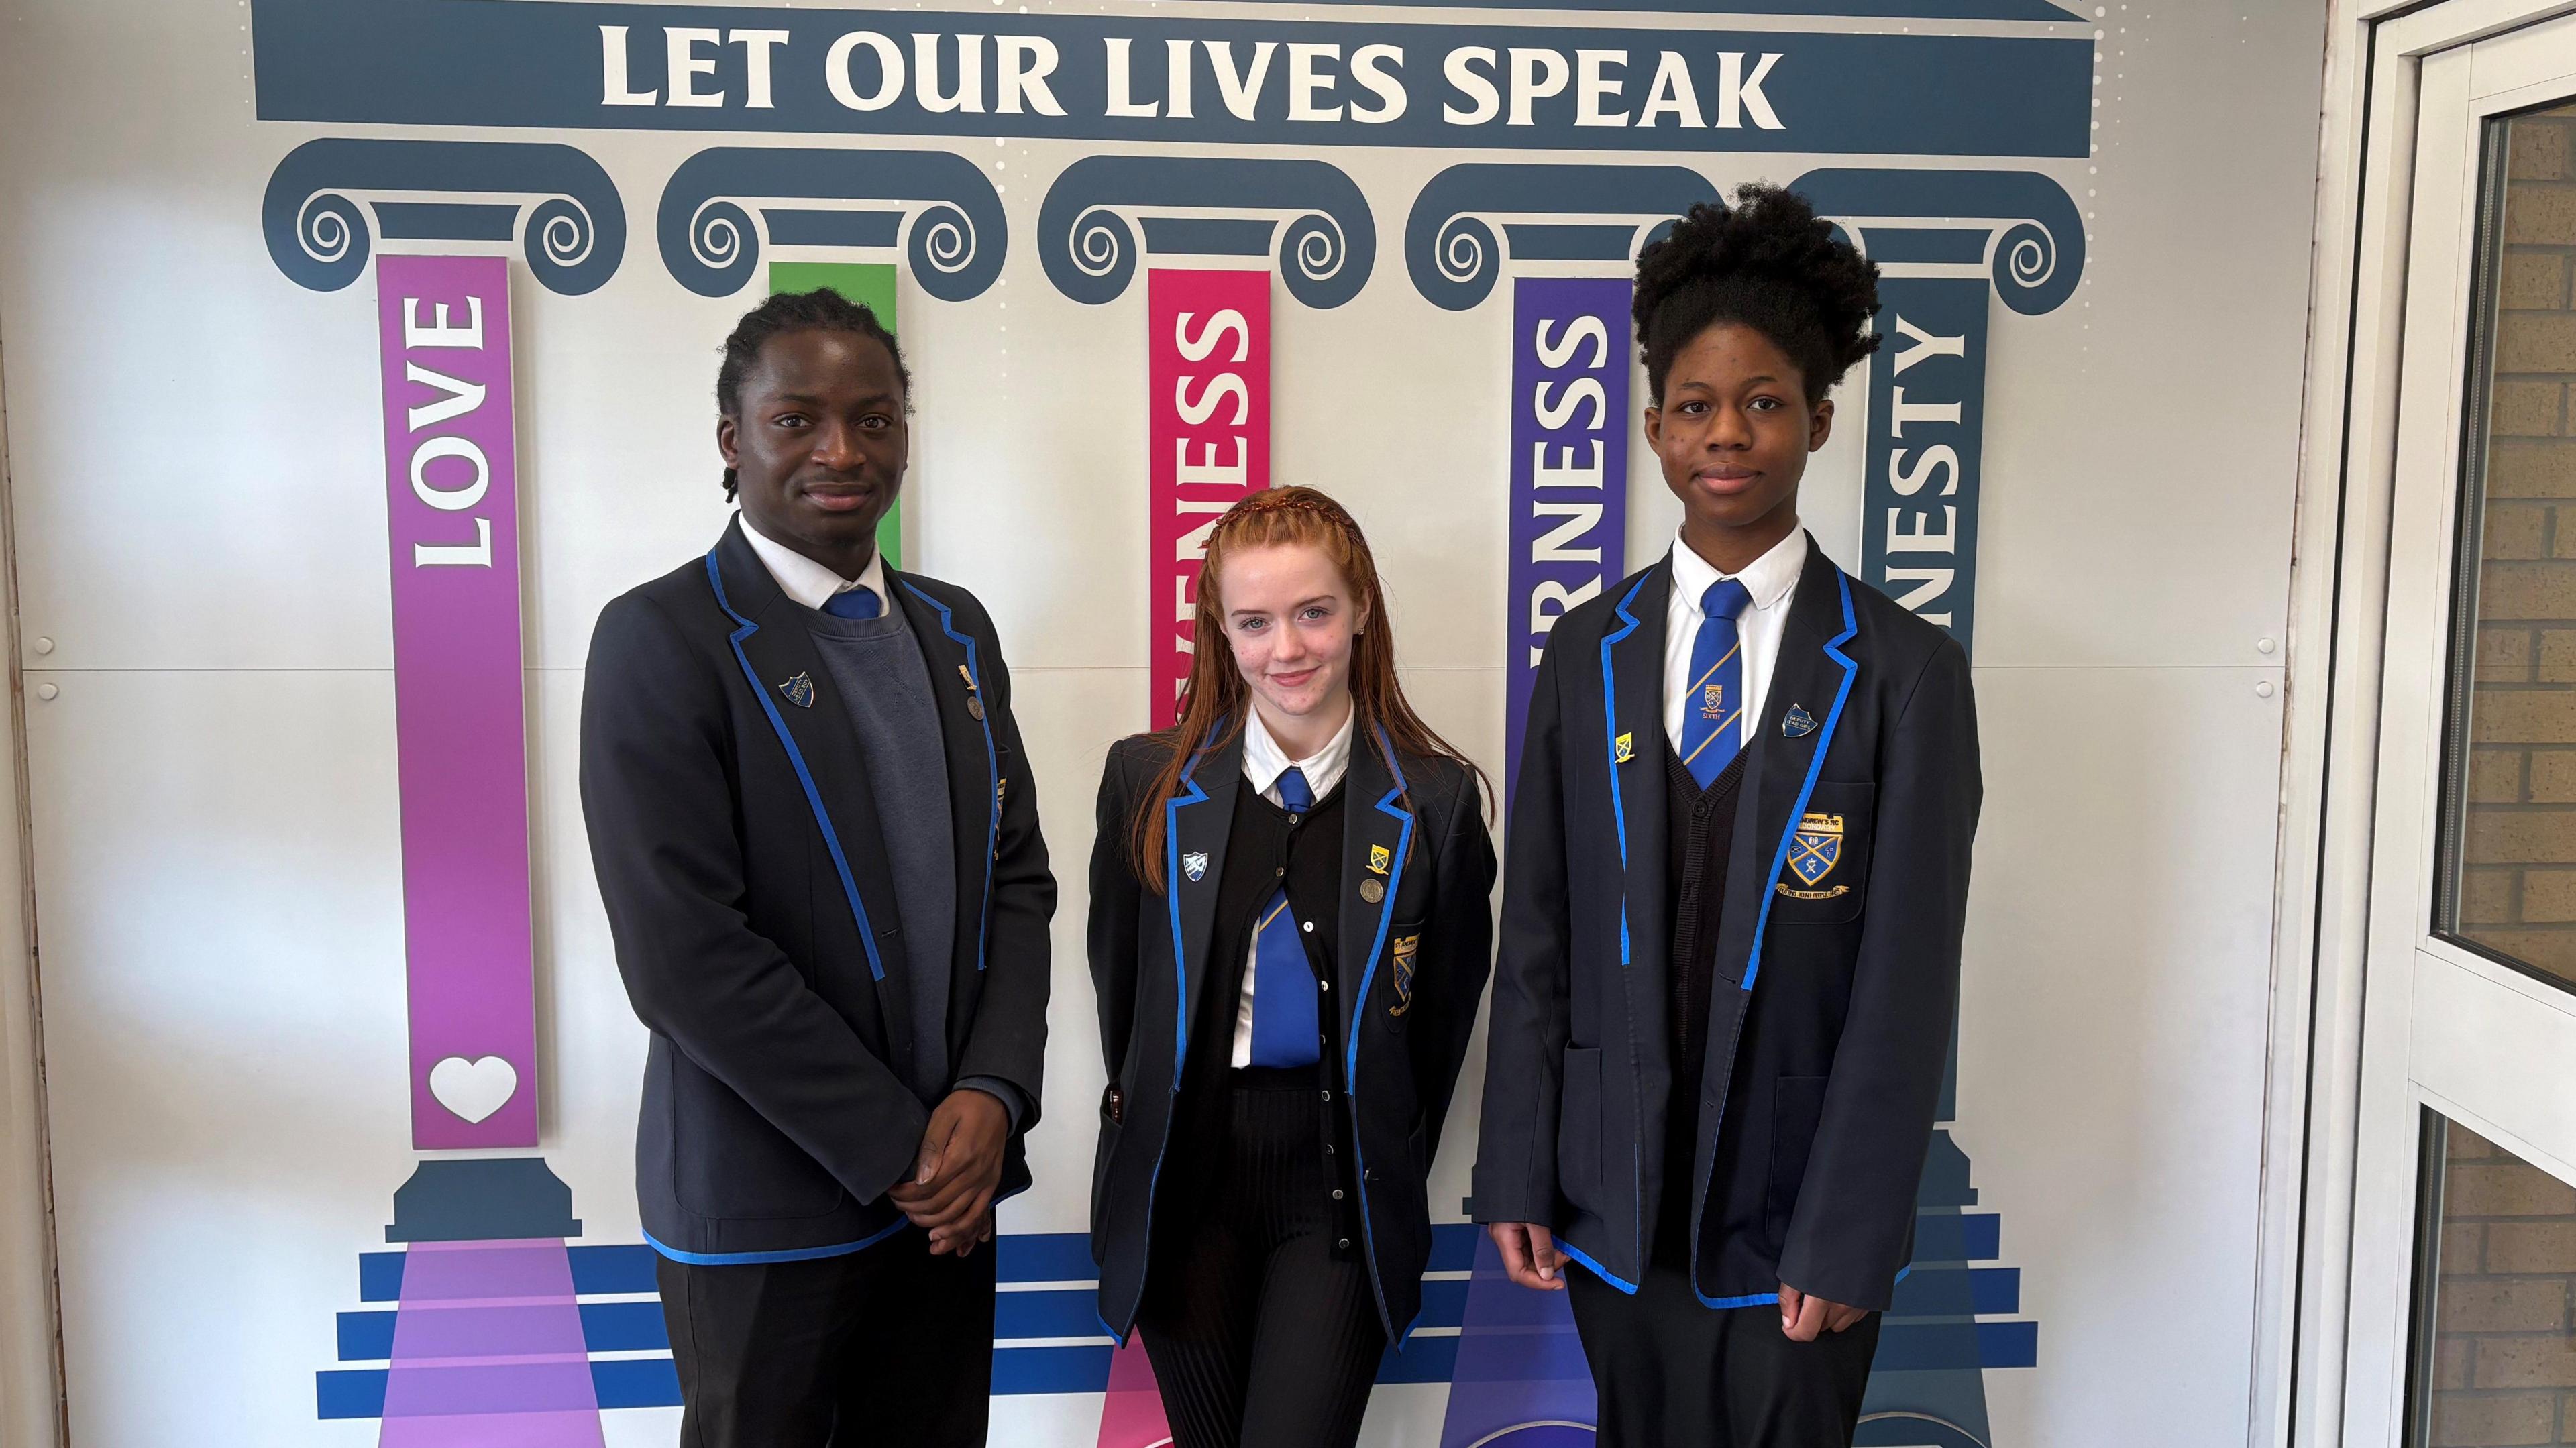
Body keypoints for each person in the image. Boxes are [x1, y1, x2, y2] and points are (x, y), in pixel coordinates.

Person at [1471, 185, 1983, 1446]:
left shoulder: (1907, 674)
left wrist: (1856, 1227)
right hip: (1615, 1199)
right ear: (1652, 429)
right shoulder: (1586, 651)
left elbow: (1907, 988)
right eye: (1696, 406)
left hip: (1798, 1218)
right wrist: (1519, 1165)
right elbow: (1536, 933)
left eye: (1764, 403)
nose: (1729, 435)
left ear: (1818, 417)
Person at [578, 289, 1055, 1448]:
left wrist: (991, 1098)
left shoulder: (956, 632)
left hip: (948, 1201)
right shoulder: (662, 637)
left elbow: (1017, 880)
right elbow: (684, 957)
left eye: (874, 418)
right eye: (797, 420)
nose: (842, 452)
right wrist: (904, 1151)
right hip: (770, 1207)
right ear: (732, 441)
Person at [1086, 487, 1498, 1448]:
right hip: (1186, 1184)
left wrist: (1386, 1147)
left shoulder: (1435, 802)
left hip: (1337, 1190)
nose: (1289, 649)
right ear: (1220, 634)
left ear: (1361, 611)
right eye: (1255, 621)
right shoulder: (1146, 780)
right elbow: (1128, 1000)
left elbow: (1436, 1033)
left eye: (1314, 612)